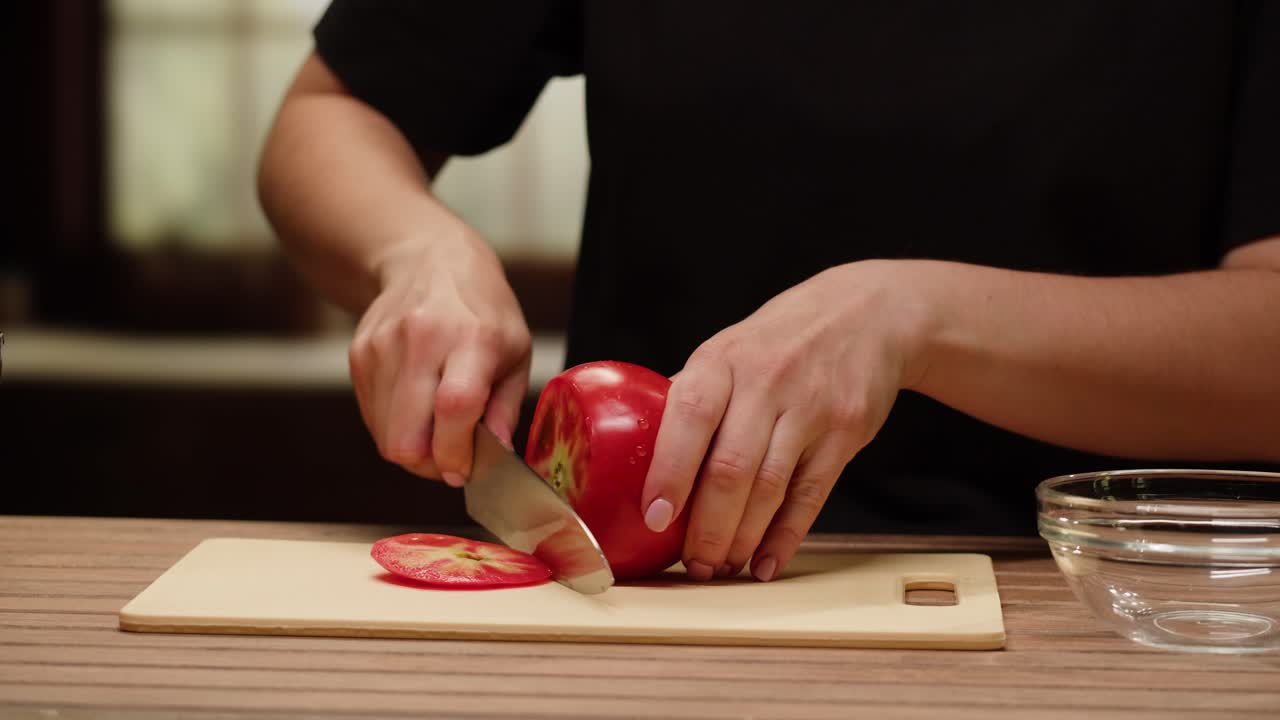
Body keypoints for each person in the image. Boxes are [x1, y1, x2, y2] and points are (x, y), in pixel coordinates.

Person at [258, 1, 1280, 584]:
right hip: (648, 608)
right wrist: (415, 251)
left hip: (1108, 601)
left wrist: (919, 320)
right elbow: (334, 113)